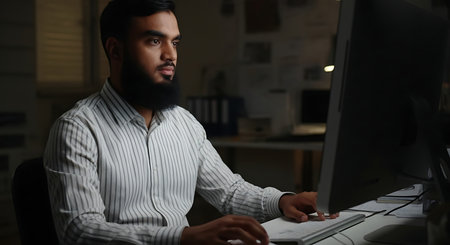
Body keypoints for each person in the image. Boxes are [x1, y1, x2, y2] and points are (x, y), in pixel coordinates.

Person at [44, 0, 337, 244]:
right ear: (115, 49)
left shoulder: (184, 123)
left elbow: (229, 192)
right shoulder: (77, 129)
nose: (171, 55)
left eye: (175, 42)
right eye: (154, 41)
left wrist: (282, 201)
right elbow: (79, 231)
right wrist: (181, 238)